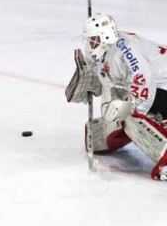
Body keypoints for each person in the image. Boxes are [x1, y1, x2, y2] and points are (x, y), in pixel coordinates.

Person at [66, 13, 167, 179]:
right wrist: (90, 81)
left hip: (162, 86)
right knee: (121, 112)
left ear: (106, 36)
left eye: (94, 39)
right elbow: (105, 78)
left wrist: (131, 107)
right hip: (156, 88)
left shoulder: (127, 53)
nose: (90, 44)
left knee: (131, 114)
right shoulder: (100, 50)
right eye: (89, 40)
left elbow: (144, 88)